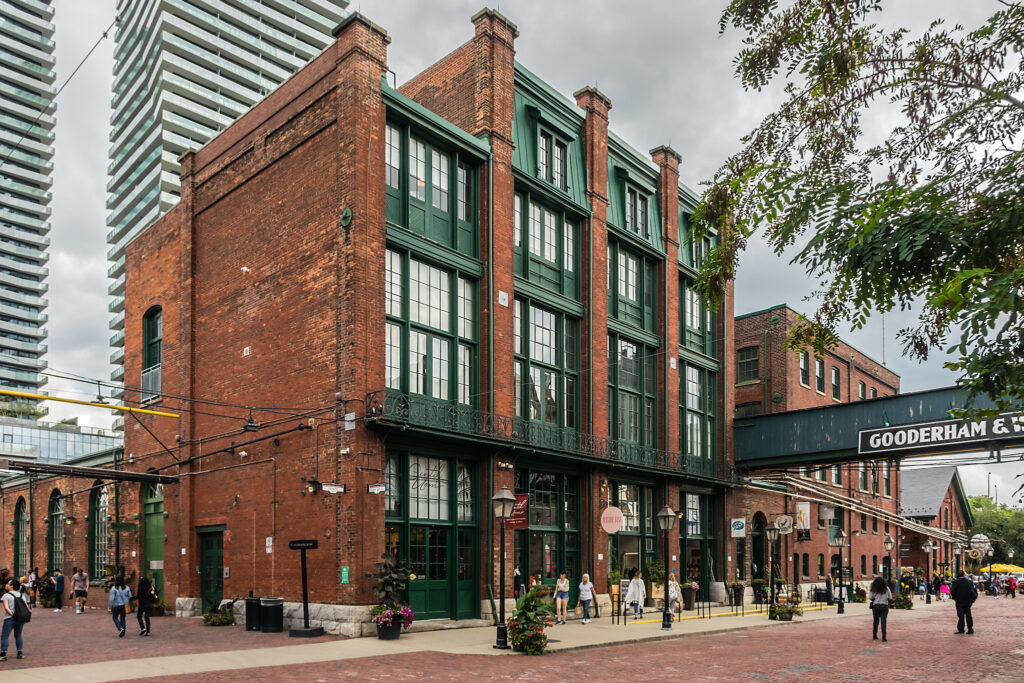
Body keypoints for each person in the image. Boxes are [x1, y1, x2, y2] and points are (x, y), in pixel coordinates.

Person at [0, 577, 29, 661]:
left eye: (8, 584)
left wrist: (11, 614)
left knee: (5, 636)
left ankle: (3, 654)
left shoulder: (6, 595)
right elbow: (26, 607)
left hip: (10, 618)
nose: (6, 585)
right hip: (20, 618)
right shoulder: (21, 595)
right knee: (18, 635)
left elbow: (6, 607)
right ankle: (20, 653)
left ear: (11, 586)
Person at [950, 569, 977, 635]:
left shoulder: (955, 582)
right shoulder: (969, 582)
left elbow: (952, 591)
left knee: (961, 615)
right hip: (968, 601)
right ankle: (970, 629)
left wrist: (955, 598)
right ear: (963, 575)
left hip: (959, 601)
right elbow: (973, 591)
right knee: (968, 615)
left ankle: (961, 629)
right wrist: (972, 600)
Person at [868, 576, 892, 642]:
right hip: (884, 606)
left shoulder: (873, 589)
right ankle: (884, 636)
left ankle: (874, 634)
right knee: (883, 621)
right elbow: (890, 597)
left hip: (876, 606)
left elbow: (870, 597)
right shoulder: (886, 588)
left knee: (876, 621)